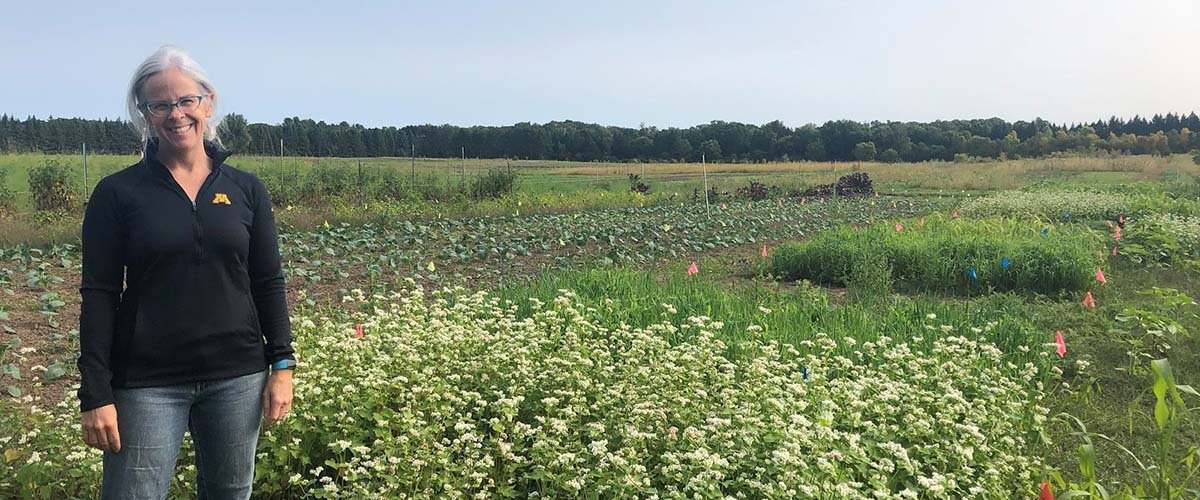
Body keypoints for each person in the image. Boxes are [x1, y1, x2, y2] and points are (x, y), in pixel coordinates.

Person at [77, 45, 296, 499]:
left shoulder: (246, 189)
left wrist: (282, 363)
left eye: (185, 101)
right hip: (146, 383)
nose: (175, 114)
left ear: (207, 101)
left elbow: (268, 282)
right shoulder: (117, 194)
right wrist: (96, 392)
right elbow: (98, 294)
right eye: (159, 104)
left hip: (237, 376)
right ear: (144, 114)